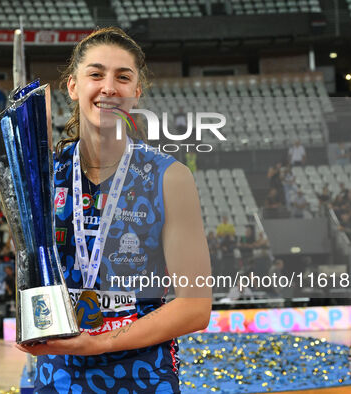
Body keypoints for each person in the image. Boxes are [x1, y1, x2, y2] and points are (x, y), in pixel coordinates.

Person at [16, 27, 211, 392]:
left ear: (137, 92)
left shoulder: (169, 178)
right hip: (57, 378)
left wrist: (102, 341)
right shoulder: (42, 178)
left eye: (123, 77)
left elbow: (196, 306)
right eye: (95, 74)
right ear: (73, 86)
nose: (109, 87)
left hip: (143, 375)